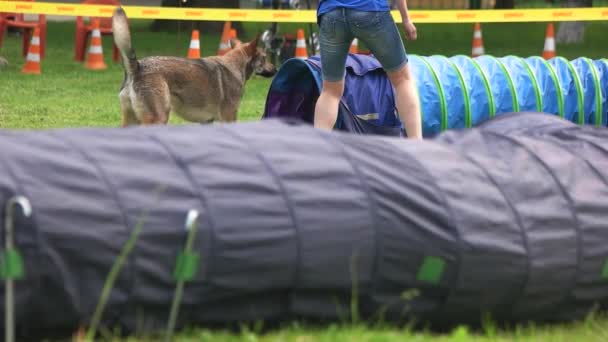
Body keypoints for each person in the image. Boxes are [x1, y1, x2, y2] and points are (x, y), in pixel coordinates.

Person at [313, 0, 423, 139]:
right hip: (370, 9)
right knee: (403, 80)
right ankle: (417, 145)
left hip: (331, 13)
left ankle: (317, 149)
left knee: (330, 90)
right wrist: (406, 19)